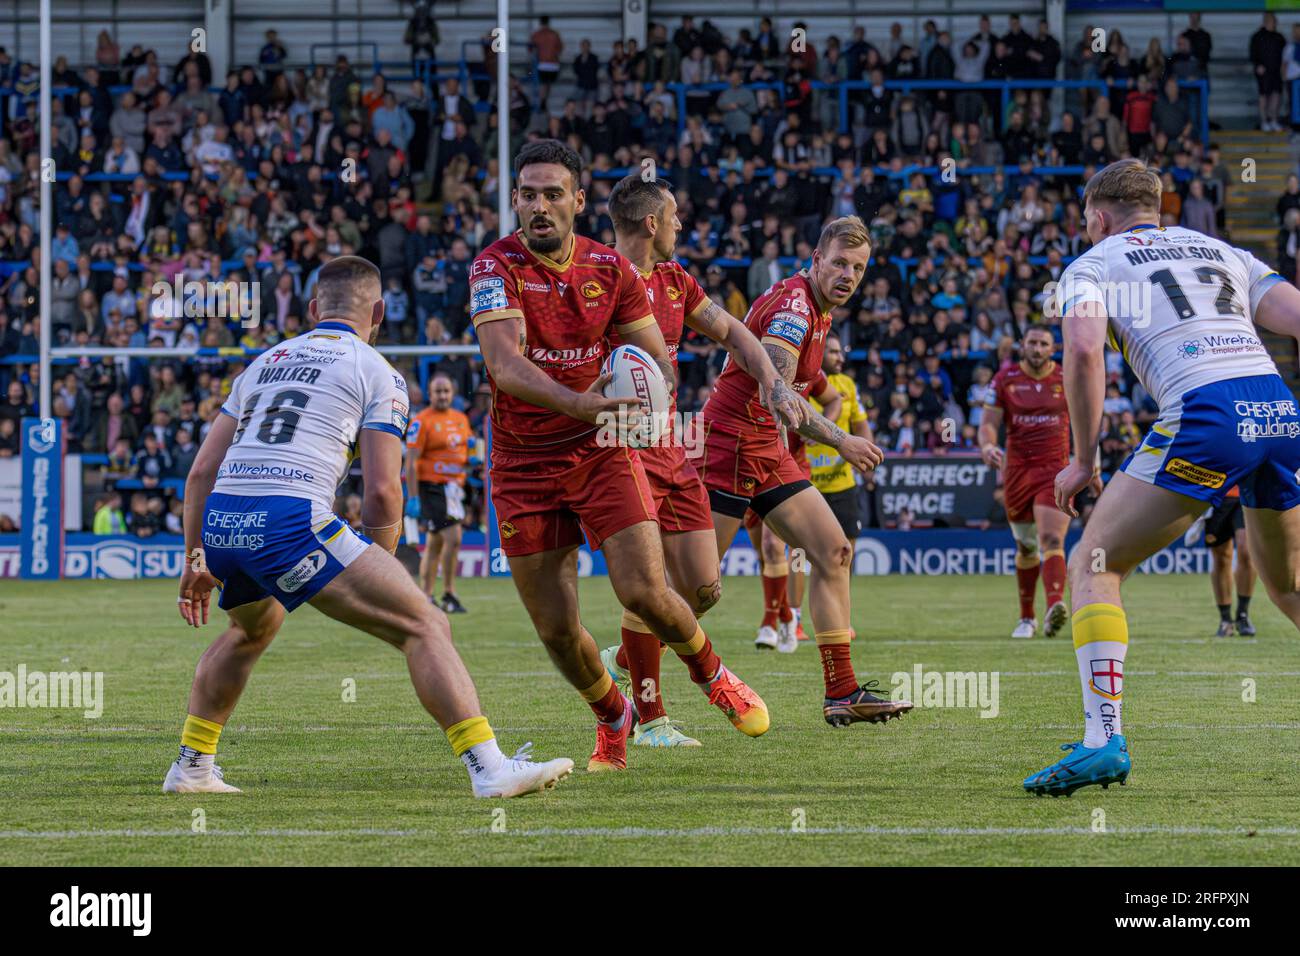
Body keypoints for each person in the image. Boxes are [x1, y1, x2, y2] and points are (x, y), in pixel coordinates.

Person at [168, 255, 573, 799]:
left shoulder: (261, 363)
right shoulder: (377, 370)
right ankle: (490, 768)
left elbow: (199, 472)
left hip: (222, 523)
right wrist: (382, 561)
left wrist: (197, 559)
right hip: (288, 518)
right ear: (378, 312)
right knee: (425, 624)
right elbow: (384, 489)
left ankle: (192, 767)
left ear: (313, 310)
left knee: (249, 630)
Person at [472, 141, 769, 773]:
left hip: (600, 450)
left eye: (553, 193)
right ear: (516, 200)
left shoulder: (612, 271)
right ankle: (615, 715)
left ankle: (712, 674)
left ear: (579, 201)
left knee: (645, 587)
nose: (539, 205)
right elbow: (505, 366)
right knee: (556, 629)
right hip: (523, 464)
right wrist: (582, 402)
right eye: (528, 194)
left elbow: (655, 358)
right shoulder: (494, 267)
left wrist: (641, 391)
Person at [1028, 159, 1300, 797]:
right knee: (1289, 587)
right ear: (1156, 206)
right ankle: (1099, 734)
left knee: (1094, 564)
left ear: (1097, 217)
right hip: (1279, 409)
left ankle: (1103, 740)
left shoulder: (1093, 264)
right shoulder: (1220, 248)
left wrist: (1083, 458)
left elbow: (1086, 348)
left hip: (1207, 411)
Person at [596, 174, 803, 743]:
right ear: (652, 222)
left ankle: (630, 653)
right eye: (676, 215)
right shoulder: (595, 278)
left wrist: (773, 384)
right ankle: (651, 718)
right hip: (615, 446)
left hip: (671, 444)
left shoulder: (674, 280)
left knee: (704, 587)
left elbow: (734, 332)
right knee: (650, 584)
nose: (683, 225)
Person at [699, 215, 914, 727]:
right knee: (697, 590)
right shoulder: (794, 308)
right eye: (839, 263)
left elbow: (803, 395)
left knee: (833, 551)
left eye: (858, 269)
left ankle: (841, 691)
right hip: (729, 445)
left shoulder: (820, 313)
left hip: (769, 451)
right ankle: (628, 669)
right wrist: (843, 441)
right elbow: (783, 400)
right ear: (815, 260)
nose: (848, 275)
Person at [979, 325, 1081, 639]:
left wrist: (1091, 463)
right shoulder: (1004, 379)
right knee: (1025, 546)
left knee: (1051, 538)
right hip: (1017, 471)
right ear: (1023, 345)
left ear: (1054, 348)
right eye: (1032, 343)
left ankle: (1054, 606)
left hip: (1056, 470)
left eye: (1044, 344)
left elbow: (1086, 421)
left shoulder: (1066, 377)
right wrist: (987, 445)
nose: (1037, 349)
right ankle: (1027, 618)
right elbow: (988, 424)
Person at [405, 373, 472, 613]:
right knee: (454, 537)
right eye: (438, 391)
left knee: (435, 543)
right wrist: (413, 497)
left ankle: (426, 597)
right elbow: (410, 462)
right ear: (429, 394)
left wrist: (471, 461)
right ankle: (449, 593)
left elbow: (467, 449)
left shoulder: (461, 419)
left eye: (446, 391)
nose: (442, 395)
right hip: (431, 487)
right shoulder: (421, 421)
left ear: (452, 394)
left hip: (454, 489)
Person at [1184, 486, 1258, 637]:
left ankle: (1242, 615)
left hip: (1247, 493)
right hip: (1218, 492)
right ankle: (1225, 619)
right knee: (1221, 557)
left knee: (1246, 551)